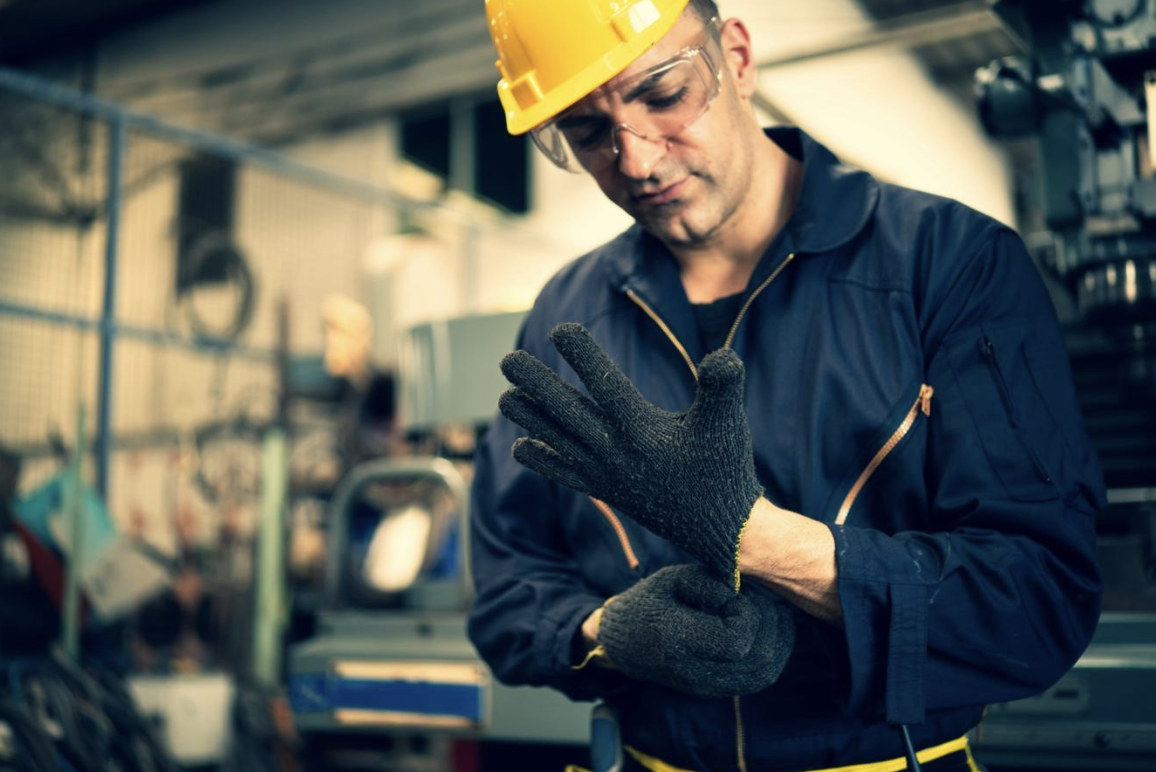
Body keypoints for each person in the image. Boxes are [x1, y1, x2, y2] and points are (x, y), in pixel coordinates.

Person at [467, 1, 1105, 770]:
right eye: (585, 131)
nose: (635, 161)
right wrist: (606, 632)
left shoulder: (948, 265)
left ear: (735, 56)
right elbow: (507, 592)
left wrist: (759, 539)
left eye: (664, 96)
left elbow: (1038, 601)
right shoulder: (565, 317)